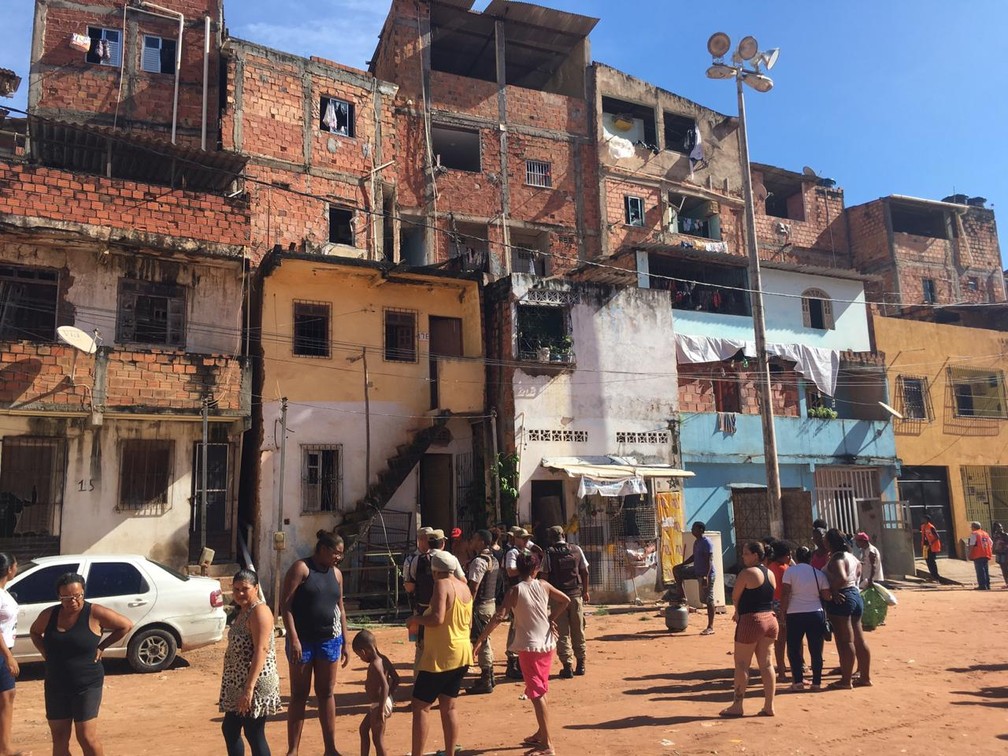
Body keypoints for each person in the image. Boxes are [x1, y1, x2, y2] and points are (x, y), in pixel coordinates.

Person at [474, 546, 570, 756]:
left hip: (529, 647)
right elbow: (566, 600)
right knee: (541, 690)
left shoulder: (515, 591)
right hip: (547, 645)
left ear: (518, 569)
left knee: (537, 694)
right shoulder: (543, 585)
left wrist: (481, 639)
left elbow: (499, 616)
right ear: (536, 569)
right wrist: (551, 618)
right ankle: (542, 734)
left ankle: (547, 745)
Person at [29, 571, 133, 756]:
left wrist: (102, 646)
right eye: (67, 597)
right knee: (59, 738)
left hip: (86, 684)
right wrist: (45, 652)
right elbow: (35, 632)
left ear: (83, 592)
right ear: (59, 597)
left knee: (86, 737)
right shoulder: (49, 614)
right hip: (56, 684)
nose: (73, 601)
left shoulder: (94, 613)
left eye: (78, 596)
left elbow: (125, 625)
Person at [279, 529, 349, 756]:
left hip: (329, 641)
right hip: (302, 642)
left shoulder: (337, 574)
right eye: (337, 553)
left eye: (341, 554)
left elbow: (340, 608)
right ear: (324, 549)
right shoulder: (301, 568)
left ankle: (330, 749)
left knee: (326, 692)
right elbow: (286, 606)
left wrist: (345, 641)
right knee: (299, 694)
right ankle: (293, 750)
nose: (339, 557)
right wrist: (294, 638)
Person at [405, 549, 473, 756]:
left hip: (442, 655)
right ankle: (450, 753)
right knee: (449, 706)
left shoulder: (442, 584)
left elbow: (437, 618)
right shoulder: (464, 587)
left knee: (420, 706)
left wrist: (415, 619)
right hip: (462, 653)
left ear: (435, 571)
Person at [219, 569, 282, 756]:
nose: (240, 593)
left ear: (255, 588)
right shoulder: (243, 611)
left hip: (254, 681)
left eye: (245, 589)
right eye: (236, 589)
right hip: (238, 681)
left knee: (253, 732)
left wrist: (249, 689)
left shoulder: (259, 611)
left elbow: (261, 650)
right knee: (230, 729)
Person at [721, 541, 777, 718]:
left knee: (742, 664)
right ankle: (769, 706)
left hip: (751, 620)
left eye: (746, 553)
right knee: (766, 664)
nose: (743, 556)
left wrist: (737, 611)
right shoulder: (770, 573)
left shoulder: (747, 573)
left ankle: (737, 705)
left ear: (755, 555)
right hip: (770, 620)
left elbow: (735, 596)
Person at [823, 528, 871, 689]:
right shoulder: (852, 557)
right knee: (859, 639)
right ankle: (864, 677)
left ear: (829, 543)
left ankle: (846, 680)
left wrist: (833, 590)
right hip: (856, 595)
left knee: (845, 641)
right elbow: (857, 575)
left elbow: (842, 578)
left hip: (842, 598)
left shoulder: (837, 558)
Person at [540, 525, 590, 678]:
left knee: (562, 633)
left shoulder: (548, 553)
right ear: (563, 535)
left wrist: (544, 598)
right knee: (578, 630)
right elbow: (585, 571)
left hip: (558, 599)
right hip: (575, 596)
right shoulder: (576, 549)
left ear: (550, 538)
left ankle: (567, 666)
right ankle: (581, 664)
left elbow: (544, 578)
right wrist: (585, 591)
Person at [780, 546, 829, 692]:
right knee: (816, 650)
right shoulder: (818, 573)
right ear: (810, 558)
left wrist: (782, 612)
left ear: (796, 557)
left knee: (794, 649)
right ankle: (816, 683)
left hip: (795, 613)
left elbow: (785, 593)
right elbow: (826, 595)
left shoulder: (790, 572)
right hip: (815, 613)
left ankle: (798, 682)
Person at [352, 629, 400, 756]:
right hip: (380, 703)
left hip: (379, 705)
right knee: (363, 729)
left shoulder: (376, 664)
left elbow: (385, 685)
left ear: (363, 651)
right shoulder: (383, 659)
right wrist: (389, 697)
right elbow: (396, 679)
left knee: (378, 740)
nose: (361, 658)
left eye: (359, 656)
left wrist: (382, 708)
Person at [466, 529, 499, 694]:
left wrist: (468, 606)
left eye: (474, 539)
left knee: (481, 640)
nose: (471, 541)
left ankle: (486, 678)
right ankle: (489, 676)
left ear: (481, 542)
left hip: (480, 606)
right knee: (486, 639)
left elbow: (473, 587)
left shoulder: (479, 561)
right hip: (490, 603)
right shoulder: (493, 559)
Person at [0, 552, 27, 756]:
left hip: (5, 651)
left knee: (7, 695)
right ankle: (5, 747)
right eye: (16, 565)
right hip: (2, 652)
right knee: (6, 696)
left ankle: (4, 746)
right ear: (10, 569)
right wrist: (8, 657)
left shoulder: (4, 592)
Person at [671, 521, 716, 636]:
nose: (692, 530)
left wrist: (706, 576)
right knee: (677, 570)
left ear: (700, 530)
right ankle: (682, 596)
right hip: (696, 571)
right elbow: (694, 557)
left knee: (708, 600)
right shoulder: (697, 542)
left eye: (694, 528)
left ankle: (710, 627)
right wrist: (682, 564)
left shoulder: (706, 542)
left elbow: (709, 560)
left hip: (706, 574)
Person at [503, 527, 533, 679]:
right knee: (515, 626)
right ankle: (512, 662)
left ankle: (520, 661)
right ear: (516, 539)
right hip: (517, 593)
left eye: (527, 538)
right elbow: (510, 571)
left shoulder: (526, 551)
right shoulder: (513, 553)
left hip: (526, 592)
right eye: (524, 538)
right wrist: (526, 569)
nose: (527, 541)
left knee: (523, 626)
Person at [767, 540, 792, 682]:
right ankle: (785, 670)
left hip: (774, 603)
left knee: (780, 640)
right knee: (788, 639)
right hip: (784, 605)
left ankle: (781, 669)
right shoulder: (785, 569)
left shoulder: (770, 567)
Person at [967, 521, 994, 591]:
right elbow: (991, 543)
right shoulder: (985, 533)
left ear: (973, 527)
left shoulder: (974, 534)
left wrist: (969, 553)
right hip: (986, 553)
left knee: (980, 571)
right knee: (986, 570)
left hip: (978, 554)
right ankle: (987, 585)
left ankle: (982, 585)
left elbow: (972, 544)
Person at [920, 514, 942, 582]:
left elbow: (937, 536)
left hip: (932, 547)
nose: (922, 520)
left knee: (932, 561)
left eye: (923, 519)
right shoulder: (923, 526)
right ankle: (932, 576)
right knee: (928, 561)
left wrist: (931, 543)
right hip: (926, 547)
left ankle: (936, 576)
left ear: (927, 520)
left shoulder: (931, 527)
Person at [992, 522, 1008, 589]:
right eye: (998, 527)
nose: (1000, 528)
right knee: (1003, 568)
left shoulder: (1005, 535)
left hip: (1005, 554)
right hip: (999, 554)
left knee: (1006, 568)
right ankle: (1007, 583)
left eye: (1001, 527)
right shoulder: (995, 536)